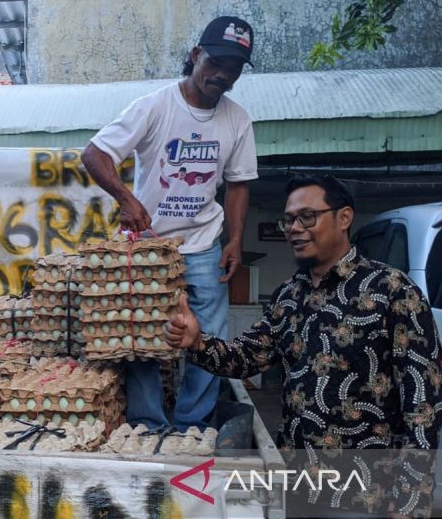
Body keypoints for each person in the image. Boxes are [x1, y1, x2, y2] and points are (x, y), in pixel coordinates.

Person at [166, 175, 441, 517]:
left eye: (307, 217)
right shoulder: (289, 294)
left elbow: (422, 404)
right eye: (289, 220)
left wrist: (410, 499)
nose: (295, 228)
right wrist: (196, 341)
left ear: (343, 218)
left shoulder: (393, 291)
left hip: (366, 495)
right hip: (297, 487)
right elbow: (247, 357)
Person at [81, 16, 258, 432]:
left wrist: (235, 241)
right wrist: (126, 199)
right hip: (150, 246)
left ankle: (192, 426)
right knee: (144, 335)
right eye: (216, 62)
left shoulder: (237, 119)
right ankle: (147, 425)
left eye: (233, 69)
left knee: (210, 336)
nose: (222, 75)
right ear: (196, 55)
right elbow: (95, 155)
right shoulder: (154, 106)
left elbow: (238, 185)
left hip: (205, 244)